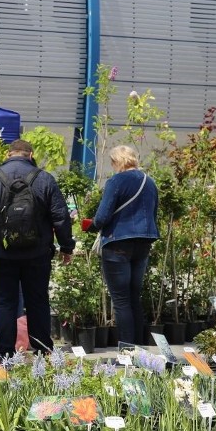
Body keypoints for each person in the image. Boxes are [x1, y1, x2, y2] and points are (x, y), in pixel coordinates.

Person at [0, 139, 75, 356]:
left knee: (3, 301)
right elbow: (60, 216)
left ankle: (5, 353)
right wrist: (66, 247)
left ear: (8, 155)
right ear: (31, 155)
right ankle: (42, 350)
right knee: (38, 300)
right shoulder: (45, 179)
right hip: (37, 252)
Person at [83, 145, 158, 345]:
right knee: (134, 296)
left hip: (118, 243)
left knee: (121, 300)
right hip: (143, 243)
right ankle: (140, 348)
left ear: (117, 162)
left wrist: (90, 226)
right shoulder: (149, 182)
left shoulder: (116, 181)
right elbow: (153, 213)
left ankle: (126, 351)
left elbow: (102, 217)